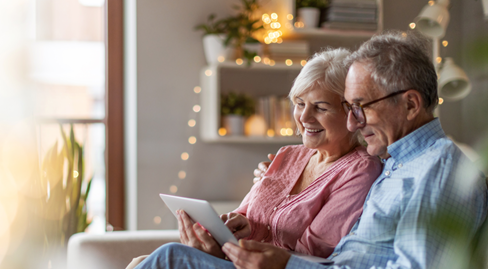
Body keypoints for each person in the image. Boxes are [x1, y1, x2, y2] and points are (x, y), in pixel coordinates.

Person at [135, 30, 488, 269]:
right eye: (350, 108)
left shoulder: (437, 171)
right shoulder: (397, 164)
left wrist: (286, 264)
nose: (353, 123)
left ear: (410, 105)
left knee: (170, 259)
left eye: (360, 107)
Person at [131, 48, 383, 269]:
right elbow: (244, 214)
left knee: (170, 256)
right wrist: (235, 228)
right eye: (299, 103)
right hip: (237, 260)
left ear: (352, 112)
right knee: (141, 261)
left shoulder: (360, 169)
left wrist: (229, 251)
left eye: (320, 107)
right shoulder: (288, 155)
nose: (304, 118)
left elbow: (313, 254)